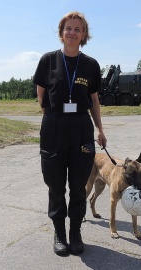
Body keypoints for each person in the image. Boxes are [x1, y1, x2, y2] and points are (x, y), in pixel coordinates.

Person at [33, 11, 107, 256]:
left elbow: (94, 100)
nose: (72, 33)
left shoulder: (91, 65)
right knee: (55, 185)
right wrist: (54, 119)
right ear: (61, 32)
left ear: (84, 34)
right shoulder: (48, 61)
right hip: (54, 127)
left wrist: (100, 129)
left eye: (78, 29)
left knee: (78, 185)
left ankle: (75, 232)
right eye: (68, 28)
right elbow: (41, 97)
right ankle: (59, 233)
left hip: (80, 128)